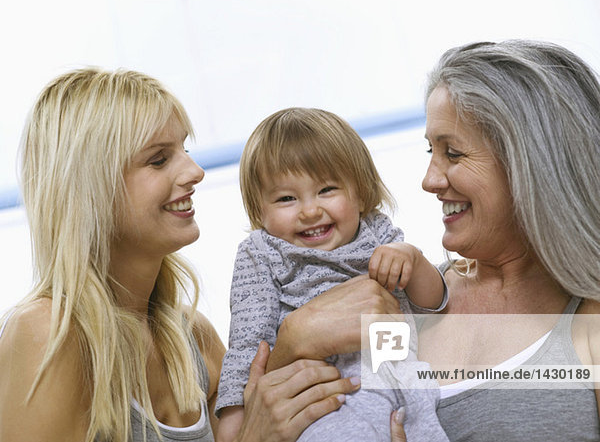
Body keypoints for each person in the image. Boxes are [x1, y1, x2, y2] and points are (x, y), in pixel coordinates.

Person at [0, 68, 360, 442]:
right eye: (158, 160)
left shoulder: (194, 338)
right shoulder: (46, 334)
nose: (195, 171)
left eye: (184, 150)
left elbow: (416, 368)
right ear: (90, 188)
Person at [269, 40, 600, 441]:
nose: (430, 180)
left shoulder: (588, 324)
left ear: (531, 164)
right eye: (431, 150)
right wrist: (291, 343)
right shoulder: (403, 299)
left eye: (454, 153)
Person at [215, 107, 449, 442]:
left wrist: (412, 259)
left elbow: (434, 304)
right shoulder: (263, 253)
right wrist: (236, 423)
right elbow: (249, 345)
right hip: (323, 395)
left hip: (405, 382)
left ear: (360, 192)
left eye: (327, 190)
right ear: (259, 210)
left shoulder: (378, 234)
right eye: (286, 198)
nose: (310, 211)